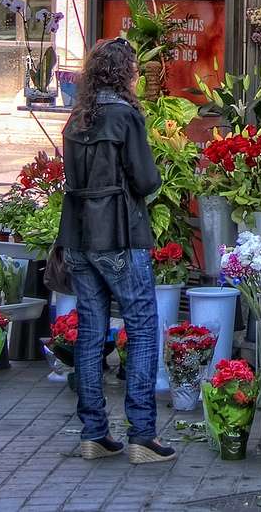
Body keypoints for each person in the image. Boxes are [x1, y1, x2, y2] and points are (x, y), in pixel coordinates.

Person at [57, 38, 175, 464]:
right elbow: (146, 181)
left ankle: (93, 433)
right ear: (124, 75)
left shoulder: (77, 119)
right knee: (142, 327)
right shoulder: (125, 117)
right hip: (119, 234)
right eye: (135, 70)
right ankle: (142, 435)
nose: (140, 77)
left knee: (91, 331)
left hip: (78, 236)